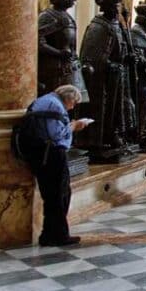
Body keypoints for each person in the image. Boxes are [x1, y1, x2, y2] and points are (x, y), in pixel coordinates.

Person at [18, 85, 89, 247]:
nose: (73, 106)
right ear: (69, 98)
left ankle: (49, 234)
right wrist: (73, 126)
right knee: (58, 195)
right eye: (74, 103)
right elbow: (56, 134)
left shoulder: (45, 100)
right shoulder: (55, 105)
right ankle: (58, 236)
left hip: (42, 153)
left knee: (54, 195)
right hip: (51, 154)